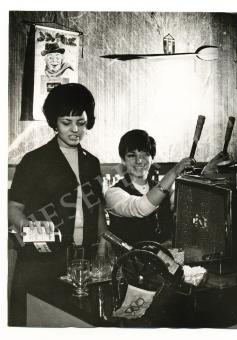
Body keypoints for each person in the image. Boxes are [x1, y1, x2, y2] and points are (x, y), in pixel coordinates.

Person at [8, 83, 106, 326]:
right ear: (54, 123)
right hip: (41, 263)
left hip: (82, 262)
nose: (75, 130)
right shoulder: (33, 161)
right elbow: (13, 208)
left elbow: (97, 209)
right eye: (66, 122)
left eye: (81, 123)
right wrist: (32, 232)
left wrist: (102, 247)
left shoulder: (92, 162)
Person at [105, 129, 193, 246]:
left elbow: (188, 209)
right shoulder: (113, 193)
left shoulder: (168, 190)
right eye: (132, 155)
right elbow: (141, 207)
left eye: (145, 154)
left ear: (152, 158)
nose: (139, 161)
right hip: (131, 261)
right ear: (123, 160)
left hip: (166, 259)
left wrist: (208, 172)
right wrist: (174, 171)